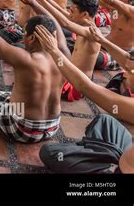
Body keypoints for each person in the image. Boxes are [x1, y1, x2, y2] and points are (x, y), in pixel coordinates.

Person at [0, 0, 69, 143]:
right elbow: (54, 22)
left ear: (32, 38)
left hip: (24, 129)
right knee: (8, 95)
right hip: (53, 126)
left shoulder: (26, 59)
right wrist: (34, 3)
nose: (22, 37)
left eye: (24, 33)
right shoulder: (63, 54)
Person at [33, 25, 134, 173]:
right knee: (105, 121)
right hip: (123, 154)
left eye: (131, 72)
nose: (124, 74)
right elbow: (126, 59)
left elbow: (84, 86)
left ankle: (91, 157)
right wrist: (101, 40)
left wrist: (53, 50)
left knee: (49, 151)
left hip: (116, 170)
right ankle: (90, 152)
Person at [32, 0, 101, 101]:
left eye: (72, 11)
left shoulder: (92, 32)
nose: (70, 13)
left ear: (84, 14)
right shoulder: (82, 23)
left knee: (35, 82)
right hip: (69, 76)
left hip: (76, 86)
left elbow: (65, 23)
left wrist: (35, 2)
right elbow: (59, 10)